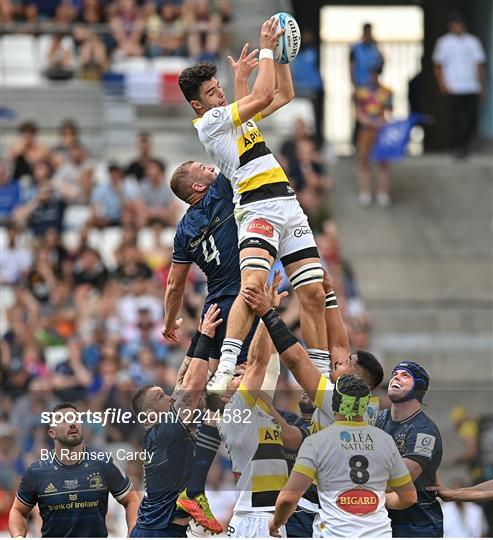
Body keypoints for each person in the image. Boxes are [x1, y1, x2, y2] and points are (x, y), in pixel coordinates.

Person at [178, 19, 328, 395]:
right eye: (213, 93)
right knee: (253, 287)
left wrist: (280, 56)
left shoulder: (234, 120)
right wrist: (264, 48)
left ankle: (322, 376)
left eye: (219, 89)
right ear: (199, 105)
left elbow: (285, 93)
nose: (220, 97)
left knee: (313, 291)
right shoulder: (209, 123)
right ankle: (227, 364)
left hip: (287, 204)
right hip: (257, 207)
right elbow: (261, 98)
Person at [163, 163, 257, 533]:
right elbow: (237, 155)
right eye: (204, 167)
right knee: (236, 386)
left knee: (204, 398)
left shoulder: (184, 229)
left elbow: (174, 283)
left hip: (214, 305)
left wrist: (170, 320)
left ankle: (187, 484)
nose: (211, 166)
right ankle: (194, 487)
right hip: (239, 303)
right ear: (199, 185)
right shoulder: (218, 193)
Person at [269, 374, 417, 537]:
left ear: (334, 403)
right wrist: (381, 500)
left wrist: (276, 522)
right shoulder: (385, 440)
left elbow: (289, 498)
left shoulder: (316, 442)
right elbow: (409, 497)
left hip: (335, 533)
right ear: (366, 405)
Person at [205, 277, 289, 538]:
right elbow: (258, 362)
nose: (239, 373)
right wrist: (266, 311)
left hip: (268, 516)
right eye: (234, 376)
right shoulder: (237, 410)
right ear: (224, 397)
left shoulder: (254, 408)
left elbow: (269, 362)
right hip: (256, 518)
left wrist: (269, 311)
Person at [129, 304, 222, 537]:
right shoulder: (161, 435)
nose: (170, 397)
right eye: (161, 396)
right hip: (156, 532)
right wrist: (208, 338)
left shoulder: (163, 431)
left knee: (212, 414)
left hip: (166, 530)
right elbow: (190, 389)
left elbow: (181, 382)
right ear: (149, 415)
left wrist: (199, 334)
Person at [8, 402, 139, 537]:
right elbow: (18, 511)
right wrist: (18, 536)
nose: (72, 423)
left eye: (75, 418)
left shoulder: (103, 463)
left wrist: (133, 535)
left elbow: (132, 500)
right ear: (52, 433)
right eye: (64, 420)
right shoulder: (36, 472)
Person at [376, 362, 443, 537]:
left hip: (418, 525)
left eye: (405, 375)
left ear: (418, 388)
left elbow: (400, 479)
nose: (396, 377)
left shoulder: (425, 432)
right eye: (395, 373)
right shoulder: (377, 419)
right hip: (382, 521)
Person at [432, 14, 487, 158]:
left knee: (471, 119)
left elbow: (479, 65)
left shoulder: (472, 42)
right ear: (451, 25)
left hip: (471, 87)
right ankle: (457, 146)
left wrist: (482, 86)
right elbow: (438, 65)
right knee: (454, 119)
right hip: (454, 87)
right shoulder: (444, 42)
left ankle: (464, 145)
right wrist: (442, 84)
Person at [354, 66, 393, 207]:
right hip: (366, 130)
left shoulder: (386, 92)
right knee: (363, 161)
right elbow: (358, 112)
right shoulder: (360, 92)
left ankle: (382, 192)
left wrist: (381, 122)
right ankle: (365, 192)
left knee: (383, 161)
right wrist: (367, 121)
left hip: (381, 130)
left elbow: (389, 112)